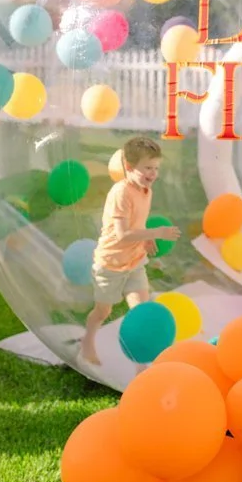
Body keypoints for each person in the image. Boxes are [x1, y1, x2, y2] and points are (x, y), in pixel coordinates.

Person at [79, 135, 180, 365]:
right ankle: (87, 341)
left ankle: (140, 366)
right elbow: (123, 235)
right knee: (102, 312)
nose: (153, 174)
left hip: (134, 262)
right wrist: (156, 233)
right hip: (110, 264)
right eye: (147, 168)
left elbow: (137, 224)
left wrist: (144, 240)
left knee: (140, 313)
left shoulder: (146, 191)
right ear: (128, 167)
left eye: (156, 168)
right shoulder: (121, 193)